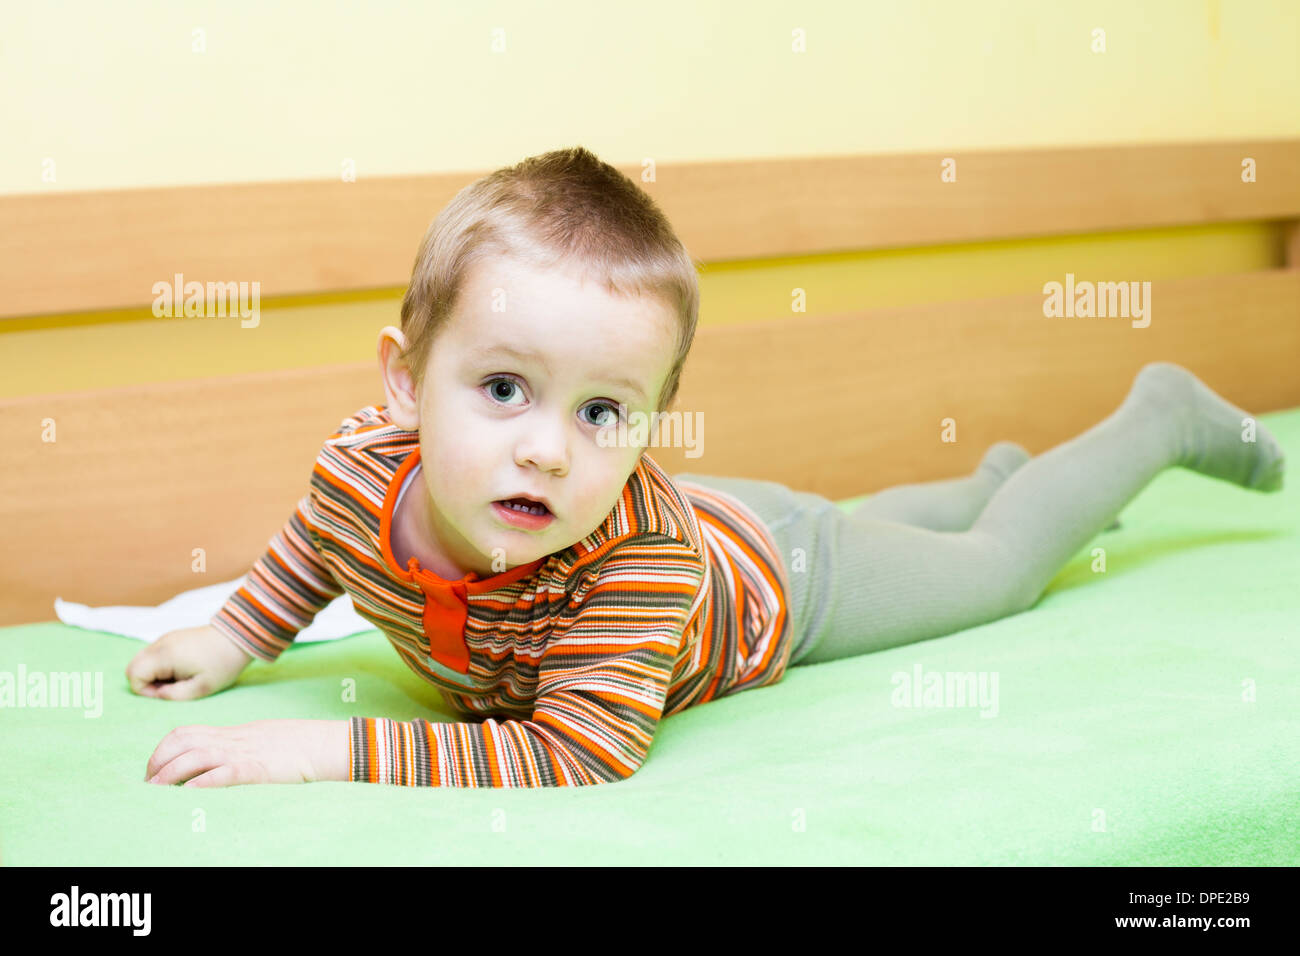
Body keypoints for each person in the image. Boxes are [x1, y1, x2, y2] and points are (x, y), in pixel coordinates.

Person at [126, 146, 1285, 789]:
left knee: (993, 566)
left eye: (601, 410)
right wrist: (235, 638)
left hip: (780, 579)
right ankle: (997, 469)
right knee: (885, 514)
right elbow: (311, 552)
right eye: (499, 389)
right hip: (742, 521)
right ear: (401, 382)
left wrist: (316, 749)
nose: (544, 445)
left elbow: (572, 748)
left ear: (652, 419)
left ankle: (1158, 418)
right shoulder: (353, 472)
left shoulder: (635, 559)